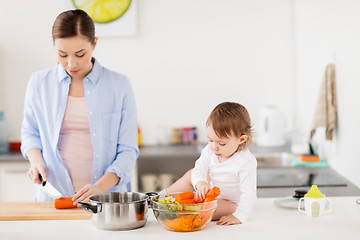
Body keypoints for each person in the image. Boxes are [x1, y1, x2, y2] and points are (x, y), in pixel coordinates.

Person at [20, 9, 139, 204]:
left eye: (80, 54)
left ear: (94, 44)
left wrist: (99, 187)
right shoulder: (38, 83)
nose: (71, 63)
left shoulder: (119, 85)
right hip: (54, 198)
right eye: (62, 54)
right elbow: (30, 134)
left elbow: (128, 150)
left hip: (107, 201)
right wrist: (36, 162)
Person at [163, 102, 257, 225]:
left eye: (221, 143)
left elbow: (249, 195)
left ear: (241, 139)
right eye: (210, 140)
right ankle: (161, 198)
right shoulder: (210, 149)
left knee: (205, 208)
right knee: (191, 174)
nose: (214, 147)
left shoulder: (245, 162)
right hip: (214, 192)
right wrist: (200, 182)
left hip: (231, 203)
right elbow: (199, 168)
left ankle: (178, 211)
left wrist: (239, 216)